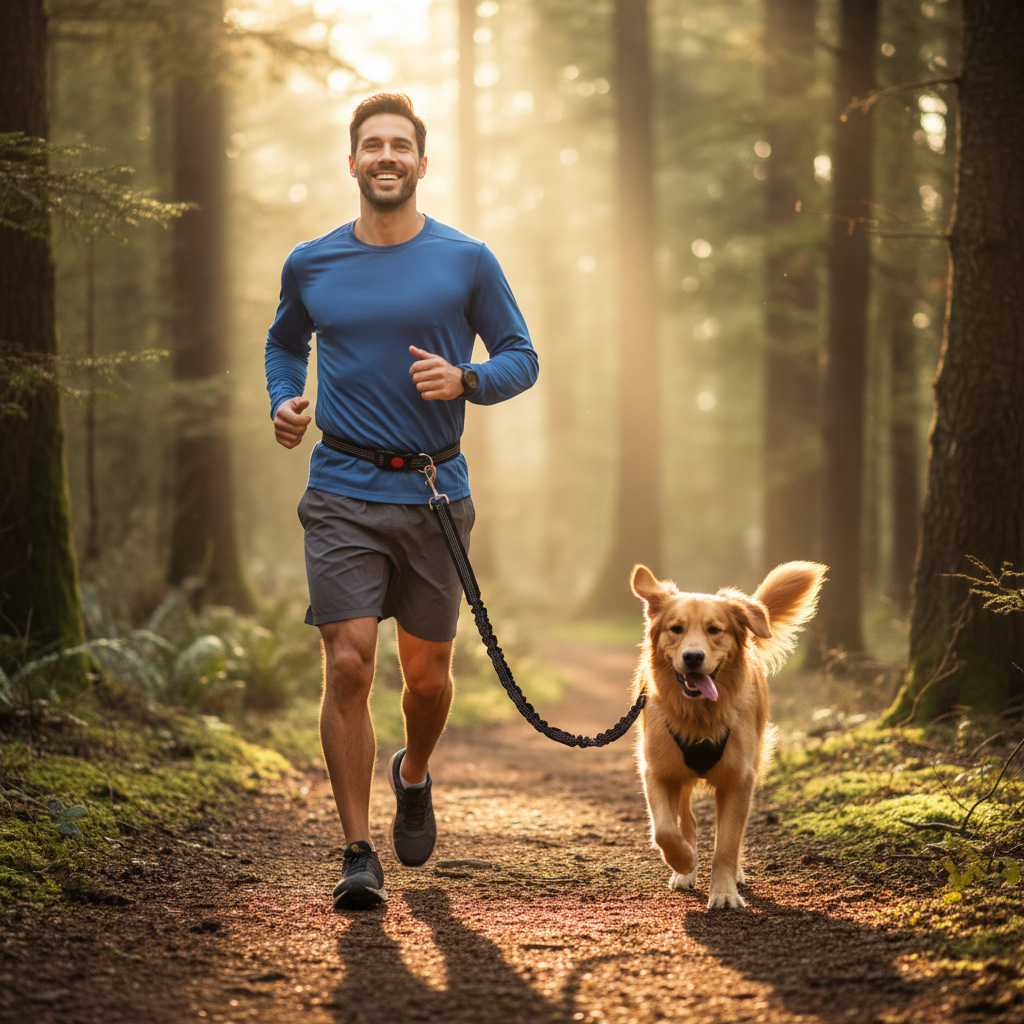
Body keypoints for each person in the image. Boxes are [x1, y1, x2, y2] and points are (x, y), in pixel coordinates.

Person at [265, 93, 538, 910]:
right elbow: (286, 342)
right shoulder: (311, 262)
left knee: (427, 680)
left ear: (423, 163)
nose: (386, 156)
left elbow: (522, 356)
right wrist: (284, 399)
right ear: (352, 162)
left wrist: (469, 380)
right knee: (348, 662)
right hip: (341, 487)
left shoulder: (467, 260)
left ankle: (413, 773)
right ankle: (357, 851)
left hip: (434, 493)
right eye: (372, 145)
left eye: (401, 146)